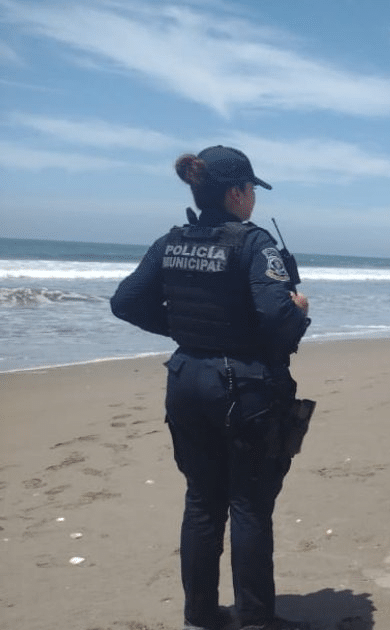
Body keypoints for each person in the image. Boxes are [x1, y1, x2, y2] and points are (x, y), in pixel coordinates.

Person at [110, 146, 311, 630]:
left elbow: (127, 302)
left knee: (202, 499)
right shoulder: (254, 243)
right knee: (248, 503)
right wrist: (300, 309)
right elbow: (278, 320)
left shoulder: (172, 241)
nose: (253, 202)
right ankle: (256, 619)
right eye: (250, 191)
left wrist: (185, 330)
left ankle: (200, 613)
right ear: (236, 192)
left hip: (186, 380)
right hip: (242, 386)